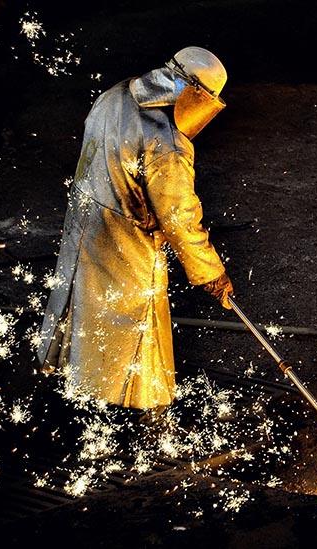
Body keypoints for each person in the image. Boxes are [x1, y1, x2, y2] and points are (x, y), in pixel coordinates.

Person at [36, 46, 234, 412]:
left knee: (77, 316)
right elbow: (179, 215)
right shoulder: (166, 141)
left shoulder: (115, 95)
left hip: (82, 221)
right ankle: (145, 425)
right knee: (134, 336)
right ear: (195, 93)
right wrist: (211, 272)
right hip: (123, 245)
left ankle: (70, 404)